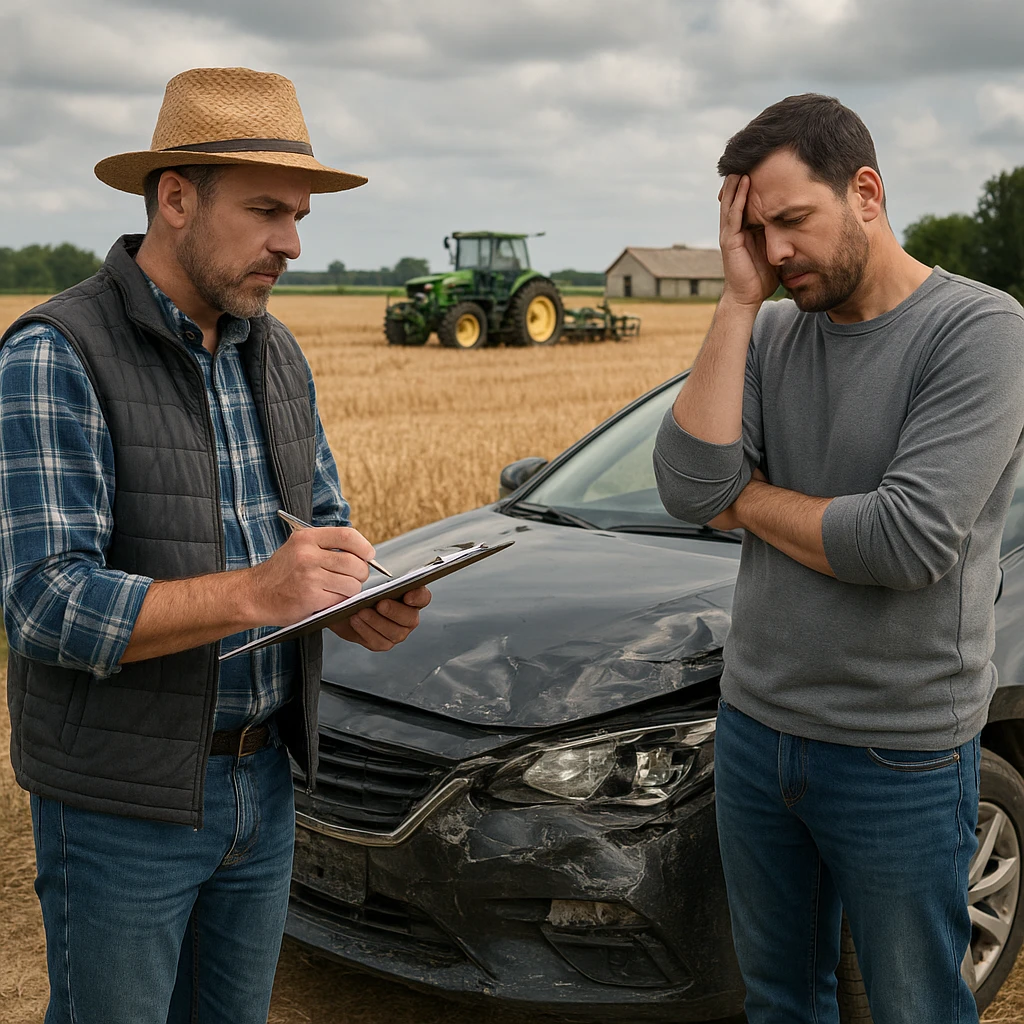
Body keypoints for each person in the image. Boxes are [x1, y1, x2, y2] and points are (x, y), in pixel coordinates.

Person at [0, 67, 431, 1024]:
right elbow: (42, 602)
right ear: (177, 198)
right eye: (268, 210)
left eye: (301, 215)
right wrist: (256, 593)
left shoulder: (272, 351)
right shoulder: (54, 353)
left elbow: (315, 529)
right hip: (119, 807)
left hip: (265, 785)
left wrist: (354, 593)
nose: (292, 241)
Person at [653, 93, 1024, 1023]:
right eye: (757, 230)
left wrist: (749, 498)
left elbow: (903, 542)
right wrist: (737, 300)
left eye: (792, 221)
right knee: (780, 1002)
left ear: (866, 191)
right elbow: (688, 485)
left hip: (896, 750)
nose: (775, 252)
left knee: (915, 1005)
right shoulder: (771, 331)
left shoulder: (980, 332)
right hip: (753, 729)